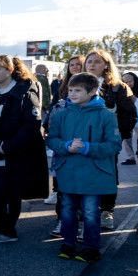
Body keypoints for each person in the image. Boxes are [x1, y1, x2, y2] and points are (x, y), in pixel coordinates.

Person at [46, 73, 121, 262]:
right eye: (70, 90)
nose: (72, 94)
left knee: (90, 211)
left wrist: (87, 147)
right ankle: (68, 243)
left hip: (93, 173)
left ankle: (91, 247)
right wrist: (66, 146)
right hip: (68, 171)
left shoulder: (106, 116)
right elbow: (51, 139)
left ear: (93, 91)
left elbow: (114, 145)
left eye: (77, 90)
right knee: (67, 209)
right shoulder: (61, 115)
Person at [0, 56, 48, 243]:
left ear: (9, 70)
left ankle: (7, 230)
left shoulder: (25, 93)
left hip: (11, 155)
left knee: (7, 193)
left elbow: (32, 126)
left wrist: (7, 146)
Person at [84, 50, 137, 229]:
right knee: (83, 175)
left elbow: (129, 115)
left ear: (106, 65)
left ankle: (107, 211)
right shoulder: (77, 83)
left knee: (107, 176)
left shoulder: (118, 87)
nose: (91, 65)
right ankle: (83, 210)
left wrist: (115, 138)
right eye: (89, 61)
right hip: (81, 142)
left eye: (97, 61)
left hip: (106, 144)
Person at [45, 55, 85, 233]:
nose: (74, 67)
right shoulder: (61, 99)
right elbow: (54, 114)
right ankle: (63, 219)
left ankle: (83, 222)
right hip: (63, 147)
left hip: (84, 148)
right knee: (63, 186)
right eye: (72, 65)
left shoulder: (95, 102)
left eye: (78, 64)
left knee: (84, 189)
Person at [121, 72, 138, 165]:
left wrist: (131, 95)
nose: (128, 84)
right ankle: (130, 157)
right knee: (127, 137)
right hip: (126, 116)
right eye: (125, 82)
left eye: (130, 81)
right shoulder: (120, 89)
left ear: (135, 80)